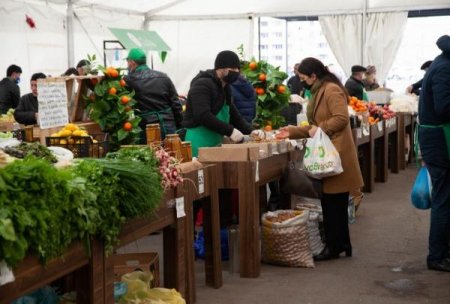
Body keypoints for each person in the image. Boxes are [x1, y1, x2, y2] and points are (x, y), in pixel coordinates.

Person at [277, 57, 364, 261]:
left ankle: (335, 247)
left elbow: (341, 119)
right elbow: (314, 125)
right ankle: (341, 244)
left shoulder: (331, 90)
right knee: (333, 203)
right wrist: (291, 132)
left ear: (313, 76)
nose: (301, 81)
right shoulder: (318, 90)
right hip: (329, 149)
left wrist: (320, 129)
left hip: (336, 152)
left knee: (335, 203)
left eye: (303, 77)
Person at [183, 50, 263, 157]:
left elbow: (234, 116)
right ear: (221, 68)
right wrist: (230, 131)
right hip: (199, 142)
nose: (236, 72)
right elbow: (202, 115)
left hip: (215, 143)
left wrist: (252, 131)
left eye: (238, 69)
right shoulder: (202, 84)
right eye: (233, 69)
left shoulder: (225, 87)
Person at [417, 35, 450, 272]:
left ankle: (441, 252)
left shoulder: (442, 64)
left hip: (437, 140)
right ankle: (437, 256)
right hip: (440, 142)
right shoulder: (445, 68)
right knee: (444, 198)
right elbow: (444, 107)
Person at [124, 48, 182, 141]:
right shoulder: (163, 76)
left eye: (127, 61)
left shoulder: (128, 80)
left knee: (150, 153)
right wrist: (179, 124)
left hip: (147, 128)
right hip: (168, 126)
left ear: (132, 62)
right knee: (171, 153)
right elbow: (176, 104)